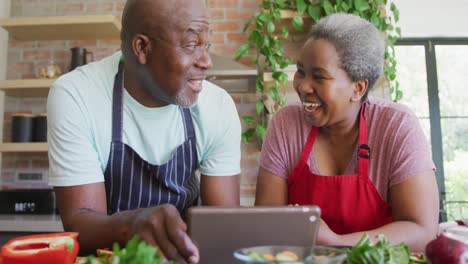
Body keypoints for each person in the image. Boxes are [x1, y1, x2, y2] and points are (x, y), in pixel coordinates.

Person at [47, 0, 241, 263]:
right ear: (142, 47)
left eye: (207, 45)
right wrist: (131, 226)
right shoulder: (77, 94)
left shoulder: (217, 106)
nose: (206, 61)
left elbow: (225, 228)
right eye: (192, 45)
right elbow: (81, 223)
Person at [255, 13, 439, 251]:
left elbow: (422, 231)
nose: (302, 85)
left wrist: (337, 243)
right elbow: (266, 225)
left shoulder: (396, 126)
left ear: (358, 88)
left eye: (319, 77)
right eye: (301, 71)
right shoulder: (286, 124)